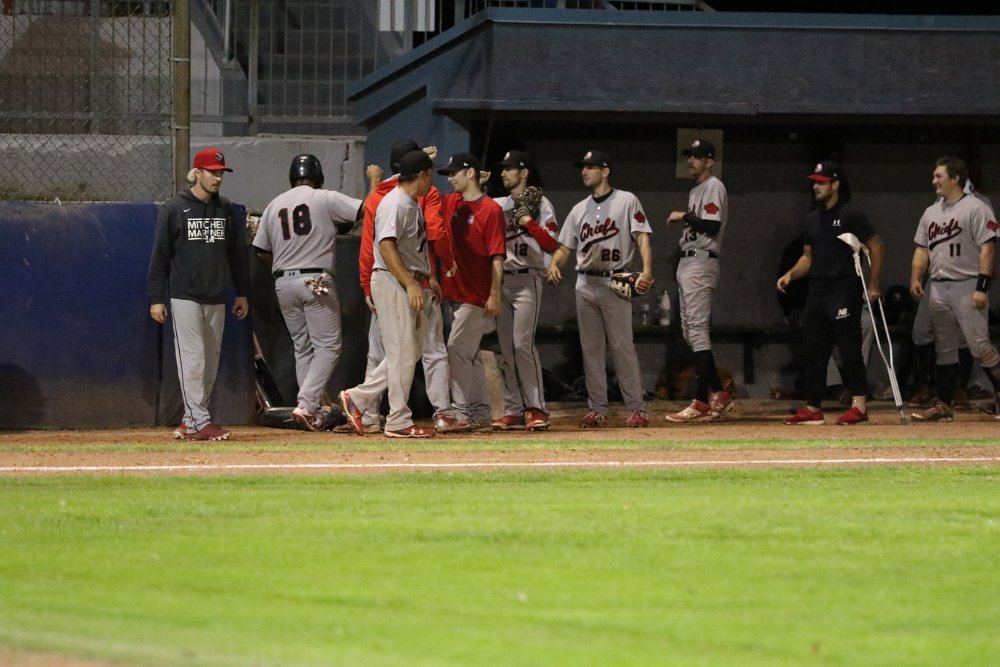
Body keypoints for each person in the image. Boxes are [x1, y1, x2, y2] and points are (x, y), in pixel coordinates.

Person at [344, 139, 456, 435]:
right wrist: (409, 283)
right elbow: (386, 247)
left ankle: (358, 398)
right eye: (430, 175)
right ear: (421, 175)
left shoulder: (408, 202)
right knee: (401, 352)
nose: (432, 181)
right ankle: (397, 419)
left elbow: (411, 249)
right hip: (392, 280)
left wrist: (427, 278)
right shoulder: (395, 203)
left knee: (410, 351)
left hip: (406, 279)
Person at [252, 154, 365, 431]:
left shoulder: (274, 204)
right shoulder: (323, 197)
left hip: (283, 282)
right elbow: (363, 209)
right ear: (318, 176)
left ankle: (310, 411)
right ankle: (306, 404)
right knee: (328, 346)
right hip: (315, 279)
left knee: (302, 348)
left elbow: (260, 251)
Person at [147, 147, 249, 441]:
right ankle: (199, 422)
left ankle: (190, 419)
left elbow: (236, 254)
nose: (218, 178)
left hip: (217, 295)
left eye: (221, 173)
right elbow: (160, 256)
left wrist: (241, 293)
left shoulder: (225, 208)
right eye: (212, 173)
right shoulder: (174, 208)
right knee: (193, 360)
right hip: (185, 295)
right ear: (198, 173)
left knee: (210, 364)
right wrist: (156, 298)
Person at [546, 149, 653, 428]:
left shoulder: (626, 200)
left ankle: (637, 407)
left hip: (615, 282)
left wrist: (647, 270)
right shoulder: (578, 209)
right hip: (585, 282)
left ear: (605, 171)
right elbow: (565, 247)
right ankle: (597, 409)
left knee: (621, 347)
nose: (584, 171)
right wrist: (555, 263)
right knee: (591, 349)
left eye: (591, 167)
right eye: (583, 167)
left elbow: (642, 237)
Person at [777, 160, 883, 425]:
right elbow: (808, 257)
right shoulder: (812, 219)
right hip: (817, 291)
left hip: (844, 289)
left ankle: (859, 406)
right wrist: (791, 274)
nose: (816, 186)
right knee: (814, 351)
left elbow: (876, 247)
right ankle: (813, 408)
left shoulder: (851, 215)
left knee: (849, 348)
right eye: (814, 182)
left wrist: (873, 284)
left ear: (835, 184)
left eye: (822, 182)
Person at [909, 156, 1000, 422]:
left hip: (967, 284)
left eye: (939, 176)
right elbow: (922, 249)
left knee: (979, 345)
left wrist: (982, 286)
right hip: (938, 285)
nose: (934, 181)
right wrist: (916, 278)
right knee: (945, 348)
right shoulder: (931, 212)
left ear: (955, 178)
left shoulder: (976, 207)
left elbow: (987, 249)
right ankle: (943, 405)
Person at [436, 152, 507, 432]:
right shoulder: (451, 202)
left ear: (470, 173)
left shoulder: (491, 209)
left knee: (456, 349)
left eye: (454, 173)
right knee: (470, 354)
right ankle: (479, 411)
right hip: (453, 293)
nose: (450, 178)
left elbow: (497, 256)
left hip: (477, 295)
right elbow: (419, 194)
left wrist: (495, 293)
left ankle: (462, 411)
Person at [663, 139, 732, 422]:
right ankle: (719, 391)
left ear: (709, 161)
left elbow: (712, 225)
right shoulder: (696, 190)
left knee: (698, 332)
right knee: (690, 334)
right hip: (689, 262)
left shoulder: (714, 185)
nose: (691, 160)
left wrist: (684, 215)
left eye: (697, 156)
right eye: (689, 156)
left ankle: (701, 400)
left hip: (701, 261)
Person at [491, 150, 559, 431]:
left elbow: (552, 244)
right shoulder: (499, 204)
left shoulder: (542, 204)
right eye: (503, 168)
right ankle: (514, 409)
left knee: (522, 345)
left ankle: (536, 408)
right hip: (501, 280)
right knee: (507, 348)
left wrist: (528, 222)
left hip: (527, 278)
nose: (504, 173)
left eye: (509, 168)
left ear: (524, 172)